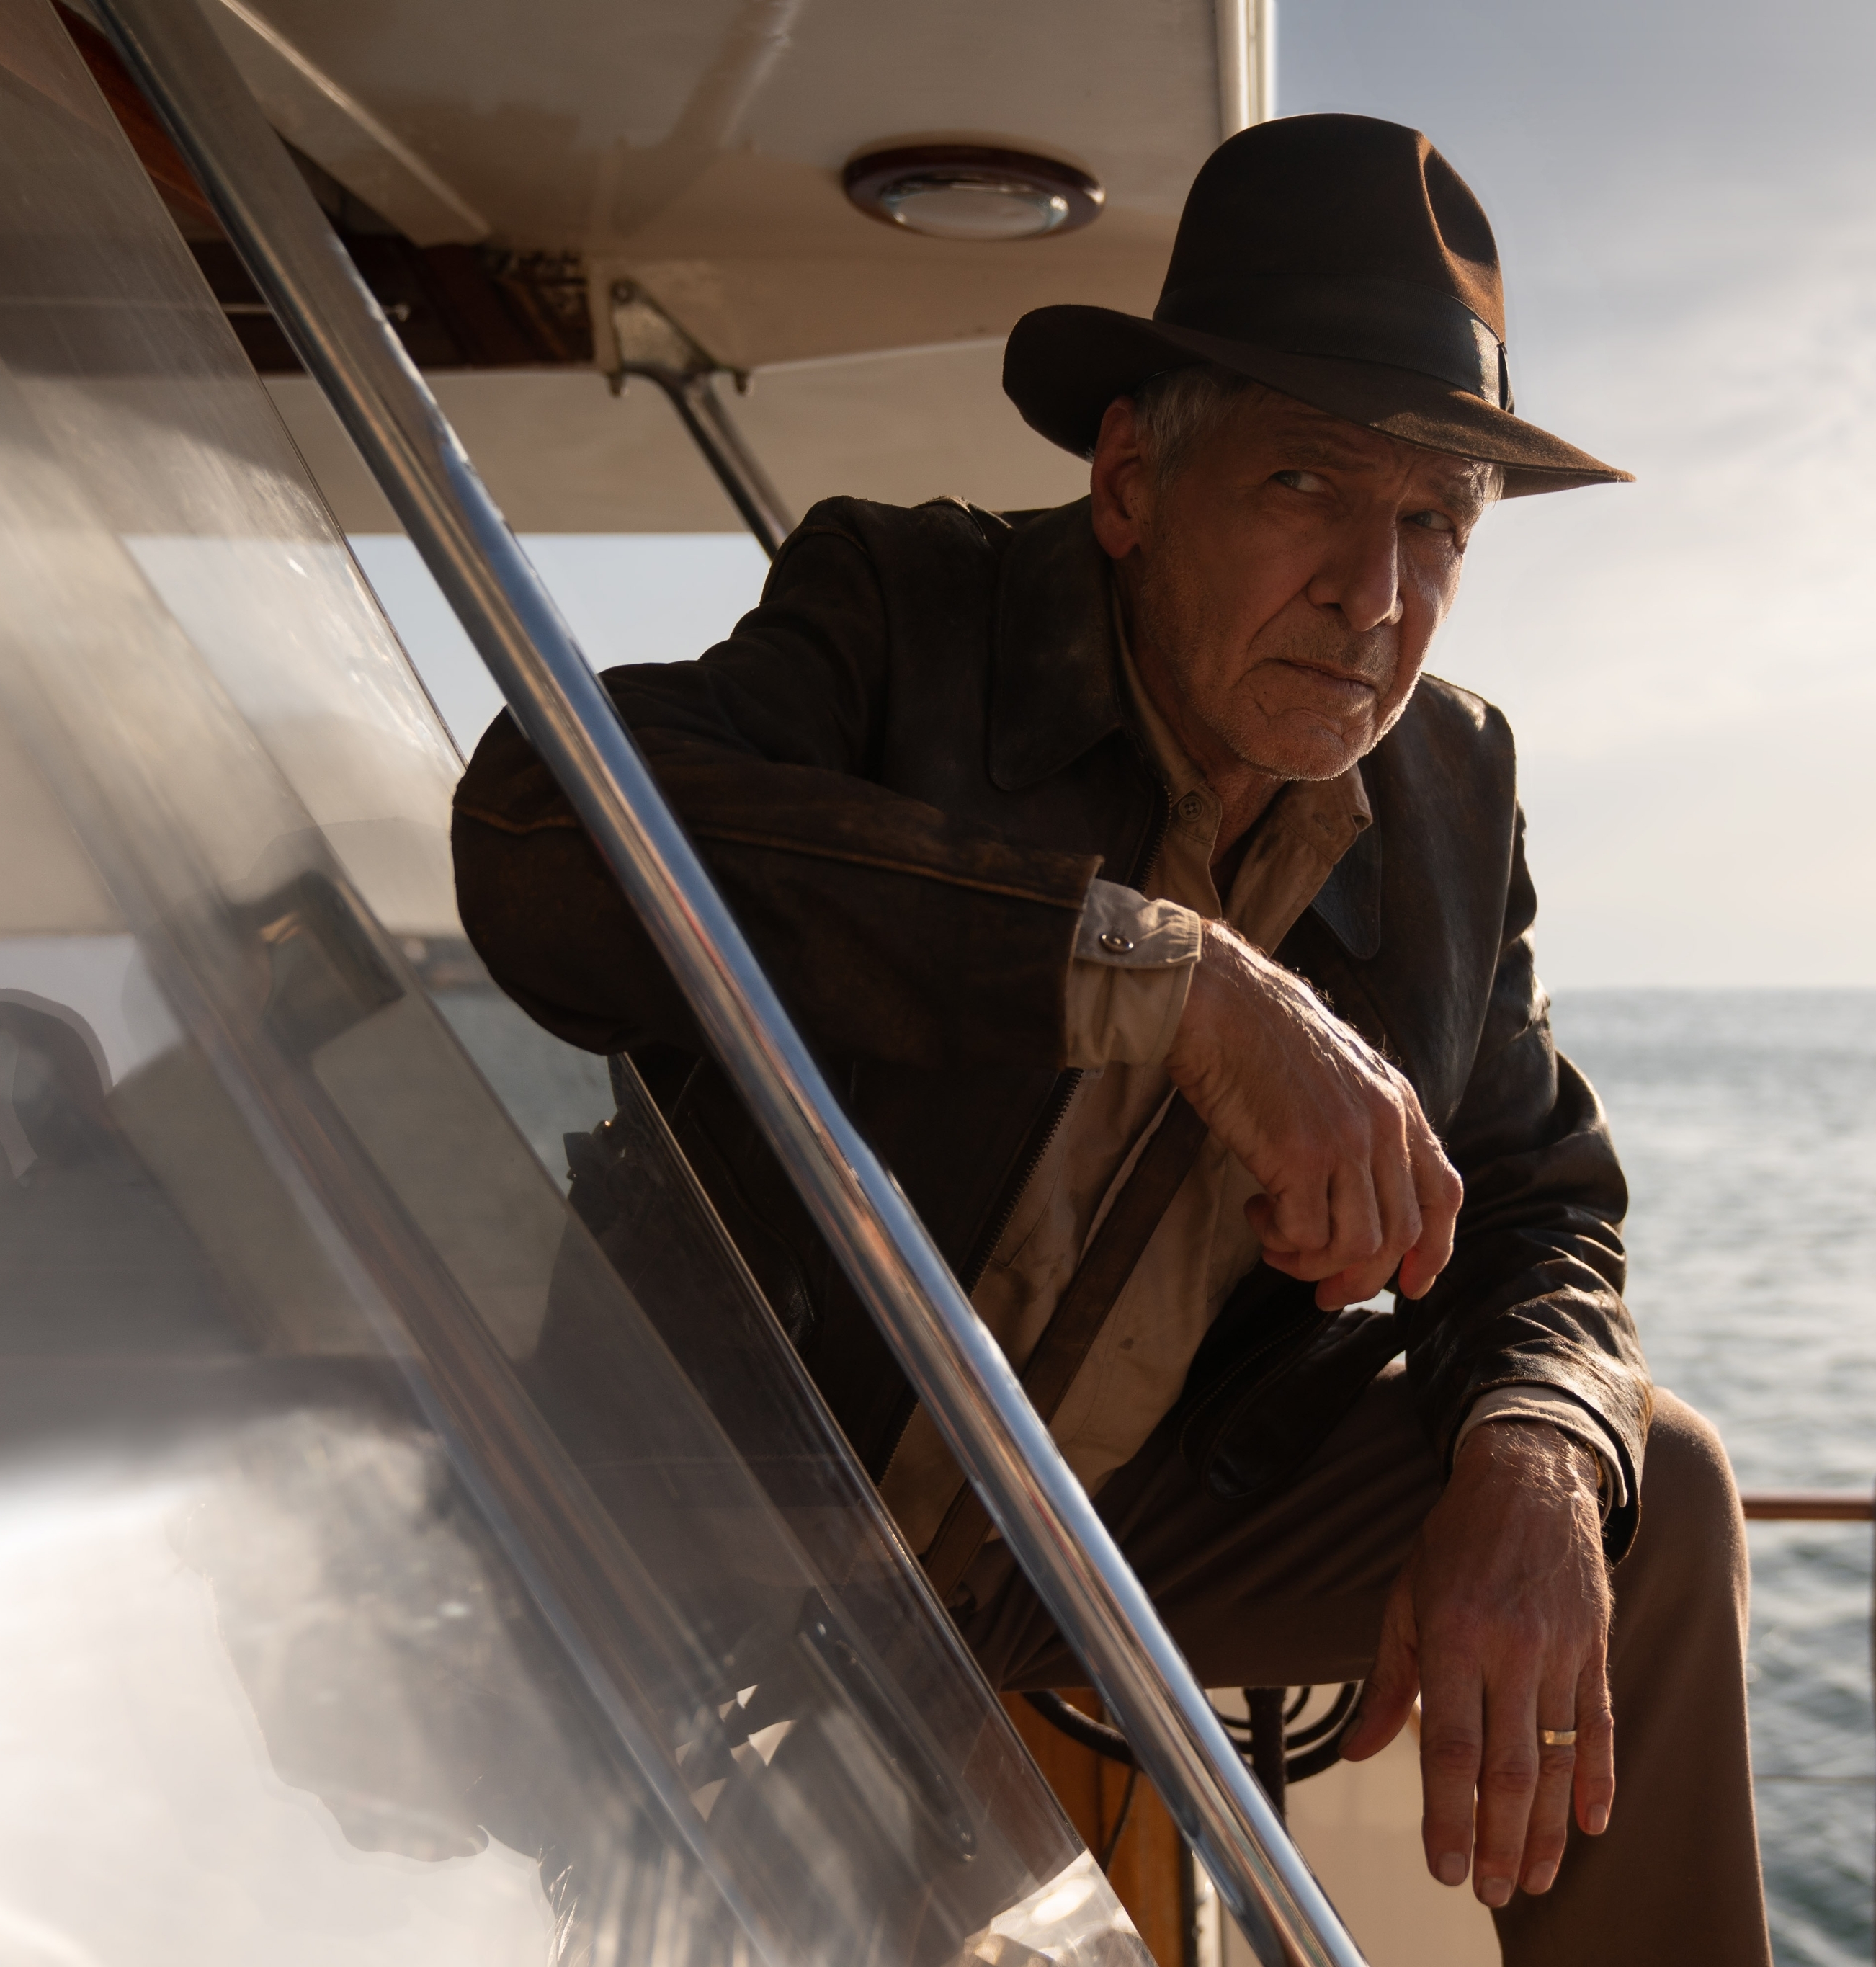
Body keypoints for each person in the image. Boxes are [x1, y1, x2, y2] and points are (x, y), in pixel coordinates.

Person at [453, 112, 1769, 1963]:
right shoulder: (904, 613)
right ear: (1133, 481)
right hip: (718, 1503)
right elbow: (535, 834)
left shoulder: (1451, 790)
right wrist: (1163, 983)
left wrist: (1533, 1458)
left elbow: (1542, 1200)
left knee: (1648, 1490)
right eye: (1311, 487)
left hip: (1107, 1537)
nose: (1375, 598)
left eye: (1433, 527)